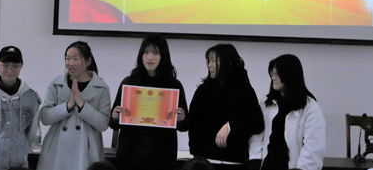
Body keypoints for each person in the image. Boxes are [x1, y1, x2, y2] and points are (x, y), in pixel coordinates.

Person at [110, 34, 189, 170]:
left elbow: (185, 125)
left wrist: (182, 118)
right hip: (130, 155)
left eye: (155, 53)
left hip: (162, 157)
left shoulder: (173, 85)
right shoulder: (130, 83)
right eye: (146, 52)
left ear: (163, 55)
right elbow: (113, 123)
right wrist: (115, 116)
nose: (150, 57)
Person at [37, 41, 111, 170]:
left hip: (87, 150)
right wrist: (68, 105)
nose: (70, 63)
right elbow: (45, 117)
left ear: (88, 61)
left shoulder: (101, 88)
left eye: (76, 59)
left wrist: (82, 105)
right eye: (68, 58)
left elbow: (103, 124)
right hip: (57, 149)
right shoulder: (56, 84)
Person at [188, 44, 263, 170]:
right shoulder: (203, 91)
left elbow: (257, 123)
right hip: (206, 161)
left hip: (235, 162)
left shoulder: (244, 90)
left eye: (213, 61)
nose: (209, 65)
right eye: (208, 61)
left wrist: (231, 126)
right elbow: (194, 124)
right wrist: (197, 155)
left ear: (227, 63)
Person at [248, 54, 326, 170]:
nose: (273, 78)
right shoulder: (266, 103)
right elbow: (257, 138)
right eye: (272, 73)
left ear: (290, 76)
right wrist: (255, 161)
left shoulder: (310, 108)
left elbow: (313, 148)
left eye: (277, 74)